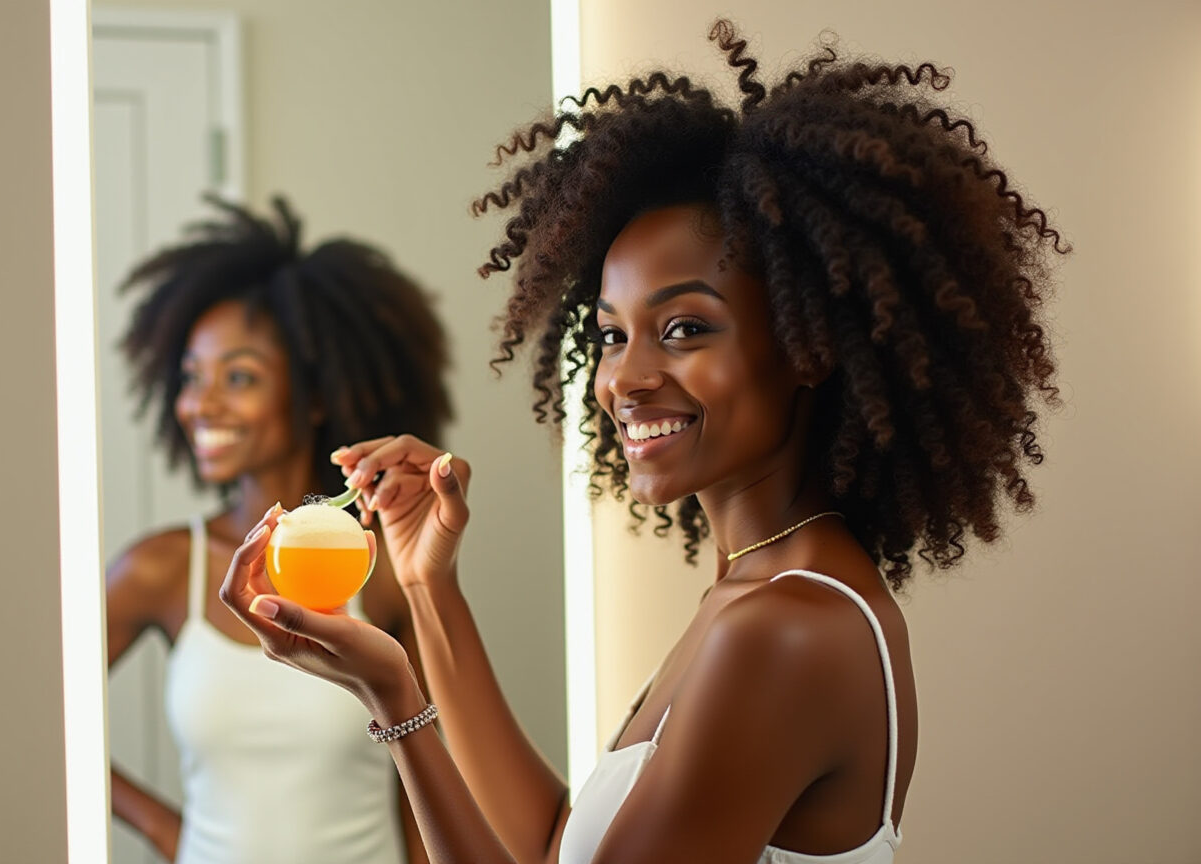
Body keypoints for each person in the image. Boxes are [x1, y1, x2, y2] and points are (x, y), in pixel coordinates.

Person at [221, 20, 1066, 864]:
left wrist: (391, 695)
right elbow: (554, 844)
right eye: (614, 335)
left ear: (810, 347)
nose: (624, 379)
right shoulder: (755, 591)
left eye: (686, 328)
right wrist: (430, 588)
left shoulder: (784, 630)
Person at [106, 195, 450, 864]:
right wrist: (160, 828)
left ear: (316, 394)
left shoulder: (381, 571)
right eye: (190, 377)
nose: (200, 404)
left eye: (238, 377)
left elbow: (426, 770)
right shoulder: (164, 569)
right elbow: (41, 702)